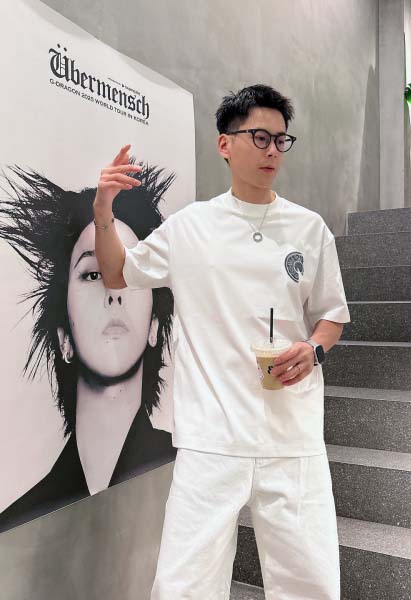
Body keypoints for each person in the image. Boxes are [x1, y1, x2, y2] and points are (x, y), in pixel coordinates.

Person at [94, 84, 351, 600]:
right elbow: (117, 273)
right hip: (211, 435)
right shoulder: (191, 227)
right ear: (225, 144)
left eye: (281, 140)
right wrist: (104, 208)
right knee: (184, 586)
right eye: (260, 137)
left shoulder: (309, 228)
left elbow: (332, 315)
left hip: (291, 433)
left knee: (312, 584)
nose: (272, 151)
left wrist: (314, 350)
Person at [0, 164, 177, 533]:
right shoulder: (20, 522)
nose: (114, 291)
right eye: (94, 274)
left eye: (130, 272)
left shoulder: (186, 472)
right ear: (63, 336)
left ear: (154, 327)